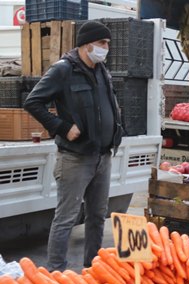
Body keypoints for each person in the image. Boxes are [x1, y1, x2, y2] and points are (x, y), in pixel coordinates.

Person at [23, 21, 123, 271]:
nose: (106, 48)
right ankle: (56, 274)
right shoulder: (63, 70)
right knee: (66, 218)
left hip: (103, 155)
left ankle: (93, 269)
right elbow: (32, 102)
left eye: (107, 44)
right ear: (86, 44)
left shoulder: (101, 70)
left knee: (98, 216)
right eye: (102, 43)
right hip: (76, 158)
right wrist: (62, 127)